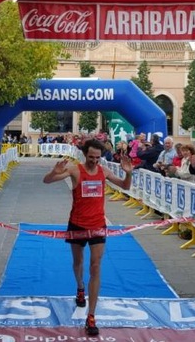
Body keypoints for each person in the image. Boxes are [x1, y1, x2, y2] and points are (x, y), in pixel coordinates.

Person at [42, 139, 133, 336]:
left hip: (98, 225)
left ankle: (91, 316)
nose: (94, 161)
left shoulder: (104, 171)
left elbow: (125, 186)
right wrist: (53, 172)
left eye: (98, 158)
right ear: (85, 154)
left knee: (95, 266)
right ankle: (80, 287)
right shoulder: (75, 170)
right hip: (77, 224)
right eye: (91, 157)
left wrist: (128, 173)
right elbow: (46, 181)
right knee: (78, 262)